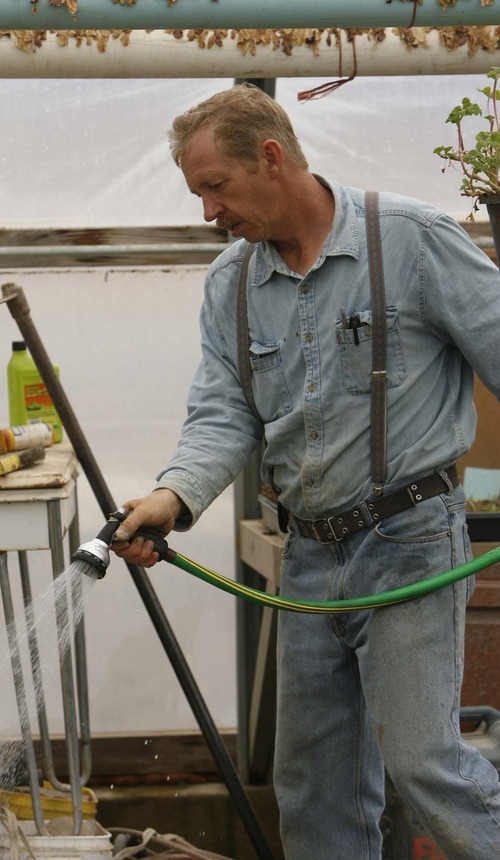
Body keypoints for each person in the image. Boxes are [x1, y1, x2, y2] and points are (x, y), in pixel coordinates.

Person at [111, 84, 500, 859]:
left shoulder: (412, 242)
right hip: (310, 559)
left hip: (410, 541)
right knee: (314, 785)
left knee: (423, 762)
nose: (208, 212)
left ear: (272, 157)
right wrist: (171, 496)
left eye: (214, 187)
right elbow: (223, 415)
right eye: (198, 194)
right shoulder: (233, 284)